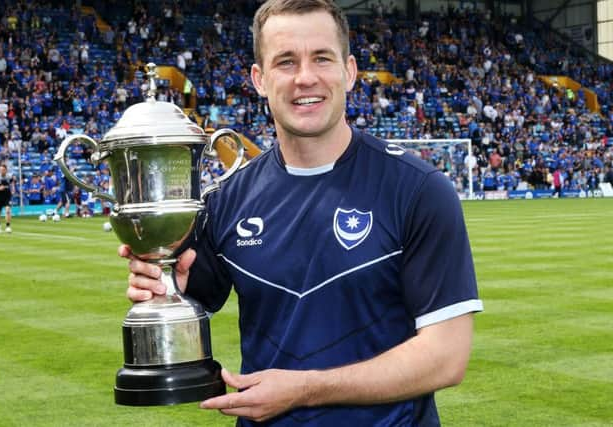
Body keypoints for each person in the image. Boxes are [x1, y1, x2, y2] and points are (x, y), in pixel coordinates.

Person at [120, 1, 483, 425]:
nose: (305, 77)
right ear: (260, 79)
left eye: (321, 58)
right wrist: (164, 282)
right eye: (286, 62)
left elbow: (446, 358)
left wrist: (306, 389)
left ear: (349, 71)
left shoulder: (418, 189)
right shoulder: (225, 198)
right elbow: (191, 299)